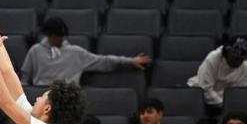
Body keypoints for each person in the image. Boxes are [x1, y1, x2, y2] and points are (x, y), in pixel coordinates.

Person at [21, 17, 151, 87]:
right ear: (49, 35)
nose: (60, 38)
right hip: (41, 94)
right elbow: (25, 78)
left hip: (68, 96)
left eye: (62, 35)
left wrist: (130, 61)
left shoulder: (76, 52)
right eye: (57, 35)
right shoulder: (35, 51)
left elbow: (103, 61)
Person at [187, 36, 247, 108]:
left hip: (229, 106)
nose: (238, 63)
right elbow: (205, 89)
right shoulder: (213, 58)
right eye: (236, 59)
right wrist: (225, 105)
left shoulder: (246, 67)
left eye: (242, 59)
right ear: (228, 51)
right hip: (202, 101)